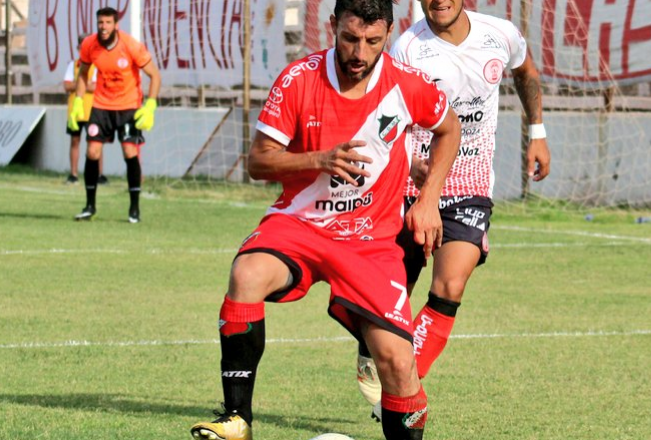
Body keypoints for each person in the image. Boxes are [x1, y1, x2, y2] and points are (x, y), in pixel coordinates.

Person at [188, 0, 461, 437]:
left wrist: (428, 200)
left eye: (372, 41)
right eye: (350, 38)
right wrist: (318, 159)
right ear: (333, 26)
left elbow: (450, 128)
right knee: (247, 274)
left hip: (371, 241)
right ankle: (236, 419)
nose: (360, 52)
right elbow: (258, 161)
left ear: (388, 34)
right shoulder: (299, 79)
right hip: (299, 226)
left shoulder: (408, 84)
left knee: (396, 362)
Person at [353, 0, 552, 419]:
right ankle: (369, 348)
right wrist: (409, 163)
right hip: (410, 187)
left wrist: (537, 132)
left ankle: (401, 393)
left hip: (469, 187)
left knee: (450, 286)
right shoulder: (408, 49)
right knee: (391, 295)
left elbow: (525, 72)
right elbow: (385, 115)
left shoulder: (500, 35)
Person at [68, 7, 161, 223]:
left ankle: (134, 208)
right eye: (100, 23)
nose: (103, 27)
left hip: (128, 106)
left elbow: (155, 75)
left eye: (108, 23)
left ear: (116, 25)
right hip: (101, 106)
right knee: (92, 151)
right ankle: (89, 206)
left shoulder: (130, 46)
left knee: (129, 151)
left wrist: (151, 104)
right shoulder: (89, 44)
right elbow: (83, 73)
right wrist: (79, 101)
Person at [63, 34, 106, 185]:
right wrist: (84, 84)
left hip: (93, 110)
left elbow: (96, 87)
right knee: (75, 141)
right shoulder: (73, 65)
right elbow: (67, 86)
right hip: (75, 111)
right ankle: (73, 174)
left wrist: (79, 84)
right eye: (81, 47)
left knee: (95, 143)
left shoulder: (97, 66)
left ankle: (99, 174)